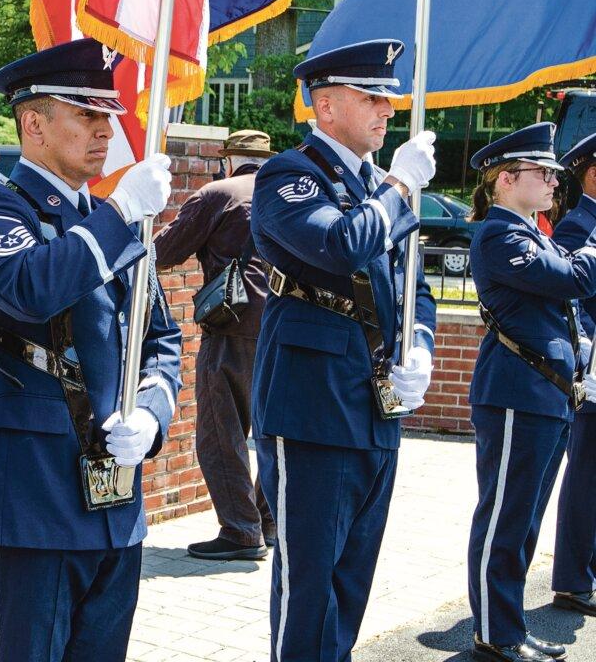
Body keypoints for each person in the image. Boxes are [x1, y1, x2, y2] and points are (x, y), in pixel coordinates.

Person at [0, 38, 181, 661]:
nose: (105, 130)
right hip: (31, 493)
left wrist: (151, 413)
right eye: (86, 114)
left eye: (107, 116)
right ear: (33, 123)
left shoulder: (116, 220)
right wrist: (120, 212)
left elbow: (160, 337)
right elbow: (30, 288)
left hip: (115, 494)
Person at [250, 39, 438, 662]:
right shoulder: (289, 175)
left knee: (352, 578)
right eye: (372, 97)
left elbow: (414, 286)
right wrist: (400, 186)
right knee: (310, 583)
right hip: (311, 401)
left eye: (388, 99)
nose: (387, 110)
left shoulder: (377, 186)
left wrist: (419, 344)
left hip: (375, 401)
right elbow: (339, 246)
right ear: (326, 106)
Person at [465, 122, 596, 662]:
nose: (554, 181)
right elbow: (573, 279)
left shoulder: (532, 233)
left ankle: (510, 627)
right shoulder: (500, 235)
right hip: (516, 393)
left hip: (543, 394)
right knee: (505, 519)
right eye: (542, 172)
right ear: (505, 179)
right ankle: (494, 634)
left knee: (524, 524)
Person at [154, 129, 277, 561]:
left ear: (228, 160)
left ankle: (241, 531)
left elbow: (165, 251)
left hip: (232, 322)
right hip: (285, 325)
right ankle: (268, 521)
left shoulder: (218, 192)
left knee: (220, 432)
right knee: (273, 433)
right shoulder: (286, 192)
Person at [550, 132, 596, 618]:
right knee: (586, 474)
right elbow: (568, 298)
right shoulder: (579, 227)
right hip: (593, 371)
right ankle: (572, 579)